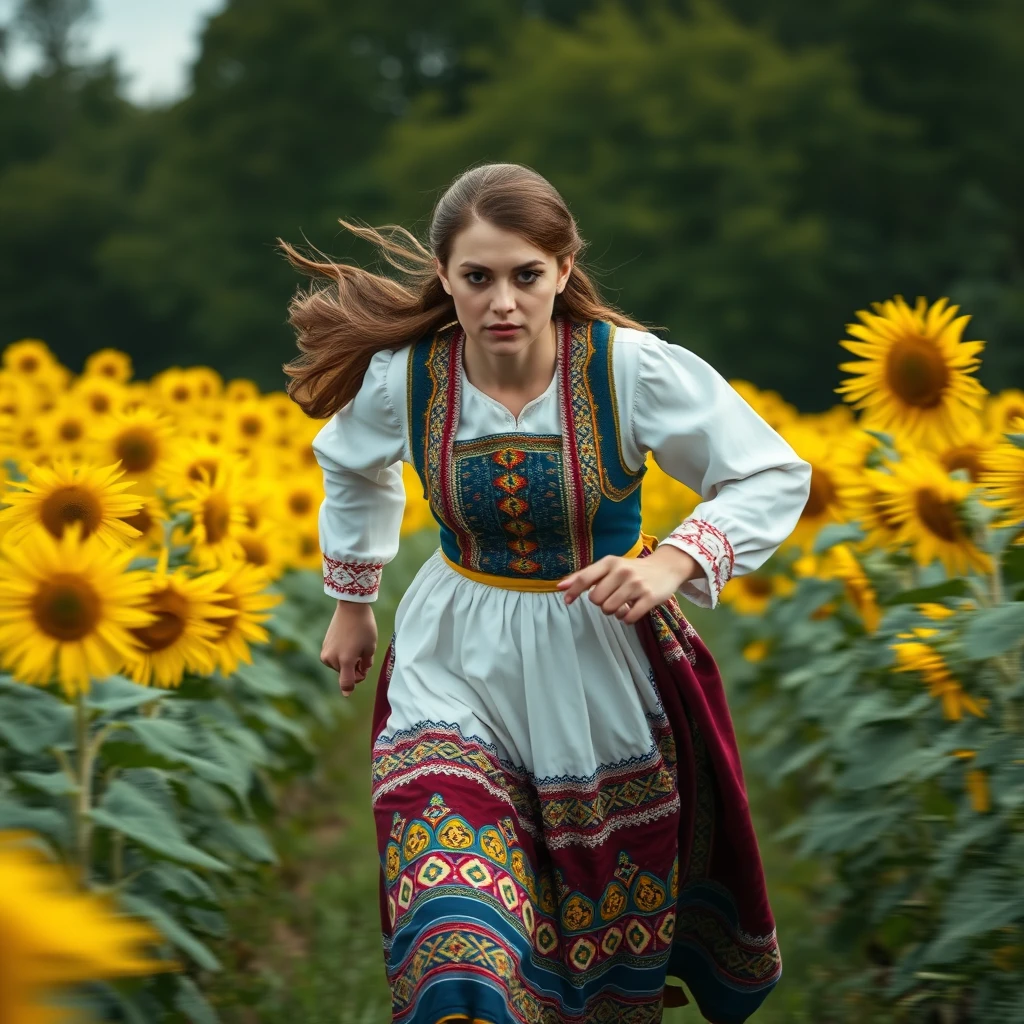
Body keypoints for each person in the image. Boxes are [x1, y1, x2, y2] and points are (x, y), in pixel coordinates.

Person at [280, 163, 811, 1024]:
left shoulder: (629, 370)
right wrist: (353, 599)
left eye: (526, 276)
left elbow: (771, 474)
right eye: (476, 277)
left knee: (595, 942)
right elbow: (350, 464)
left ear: (563, 270)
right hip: (452, 656)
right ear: (445, 276)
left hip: (596, 664)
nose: (502, 303)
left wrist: (672, 562)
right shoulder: (408, 377)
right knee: (452, 917)